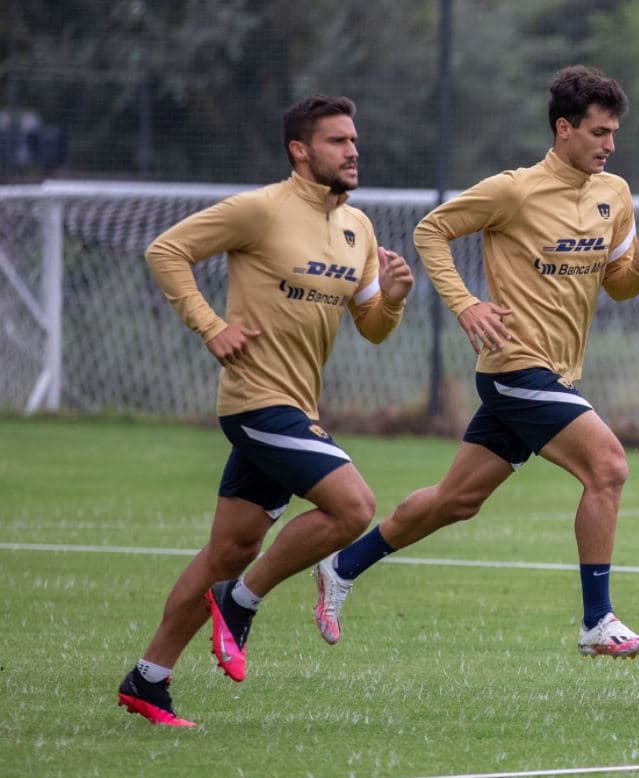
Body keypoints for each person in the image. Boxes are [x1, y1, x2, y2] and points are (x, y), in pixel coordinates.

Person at [310, 65, 639, 658]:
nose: (610, 145)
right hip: (514, 367)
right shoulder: (514, 190)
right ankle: (597, 621)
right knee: (607, 467)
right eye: (599, 132)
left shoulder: (615, 195)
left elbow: (618, 286)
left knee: (457, 500)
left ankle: (343, 565)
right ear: (563, 129)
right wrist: (466, 304)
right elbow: (432, 232)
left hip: (555, 375)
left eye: (614, 133)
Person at [117, 95, 415, 726]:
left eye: (354, 140)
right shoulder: (261, 209)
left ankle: (149, 679)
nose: (353, 150)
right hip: (257, 403)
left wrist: (390, 298)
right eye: (337, 141)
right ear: (300, 151)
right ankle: (244, 601)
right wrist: (210, 326)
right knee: (354, 507)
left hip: (295, 405)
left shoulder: (358, 228)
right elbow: (166, 251)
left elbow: (374, 328)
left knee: (229, 548)